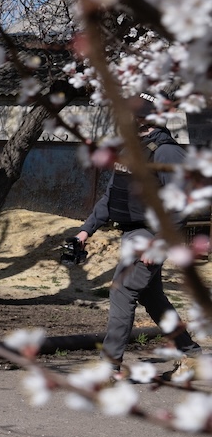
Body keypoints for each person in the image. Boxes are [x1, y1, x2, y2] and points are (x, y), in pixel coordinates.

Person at [72, 96, 202, 381]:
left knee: (122, 290)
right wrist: (86, 230)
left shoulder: (167, 153)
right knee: (151, 296)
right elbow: (112, 196)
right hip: (132, 232)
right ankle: (191, 354)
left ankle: (111, 368)